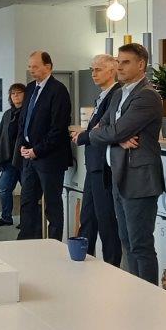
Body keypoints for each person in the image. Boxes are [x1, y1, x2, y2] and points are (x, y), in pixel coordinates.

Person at [77, 44, 163, 283]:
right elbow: (102, 127)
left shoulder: (147, 95)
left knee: (140, 244)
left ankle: (148, 295)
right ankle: (135, 290)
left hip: (139, 179)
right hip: (118, 174)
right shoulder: (118, 94)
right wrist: (115, 137)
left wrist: (112, 135)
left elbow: (112, 131)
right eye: (118, 61)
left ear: (141, 65)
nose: (119, 66)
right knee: (126, 241)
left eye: (125, 62)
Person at [70, 54, 122, 265]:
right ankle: (82, 260)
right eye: (92, 69)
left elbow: (105, 130)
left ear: (112, 70)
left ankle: (111, 266)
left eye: (98, 69)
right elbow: (96, 128)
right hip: (93, 164)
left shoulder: (116, 94)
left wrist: (85, 135)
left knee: (106, 220)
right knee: (88, 218)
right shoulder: (102, 95)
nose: (93, 74)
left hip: (104, 165)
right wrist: (89, 132)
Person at [16, 51, 72, 241]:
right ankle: (27, 241)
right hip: (29, 156)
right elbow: (24, 120)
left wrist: (37, 150)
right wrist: (23, 145)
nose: (31, 70)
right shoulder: (31, 88)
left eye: (35, 66)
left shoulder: (58, 90)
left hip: (49, 158)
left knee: (52, 204)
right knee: (27, 201)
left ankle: (54, 244)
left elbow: (58, 128)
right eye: (29, 66)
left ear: (48, 67)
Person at [0, 83, 26, 227]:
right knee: (4, 189)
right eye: (13, 93)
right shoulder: (7, 114)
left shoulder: (29, 111)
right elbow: (1, 135)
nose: (15, 96)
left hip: (24, 159)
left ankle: (26, 220)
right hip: (9, 159)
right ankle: (6, 217)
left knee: (27, 192)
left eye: (19, 93)